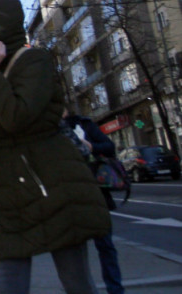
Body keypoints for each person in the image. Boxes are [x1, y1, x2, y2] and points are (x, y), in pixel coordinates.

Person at [0, 0, 111, 294]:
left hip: (51, 184)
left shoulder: (33, 61)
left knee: (77, 282)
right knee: (7, 283)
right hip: (7, 192)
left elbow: (17, 116)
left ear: (1, 25)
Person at [62, 112, 125, 294]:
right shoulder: (49, 128)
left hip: (96, 193)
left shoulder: (84, 124)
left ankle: (115, 289)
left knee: (105, 246)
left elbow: (109, 146)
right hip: (70, 197)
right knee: (74, 252)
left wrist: (91, 146)